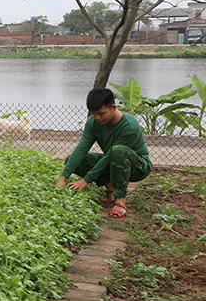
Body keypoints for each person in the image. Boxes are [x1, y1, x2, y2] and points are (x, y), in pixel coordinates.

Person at [57, 87, 152, 219]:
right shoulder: (93, 123)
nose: (97, 117)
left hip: (138, 167)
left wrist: (86, 180)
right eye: (94, 113)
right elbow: (81, 149)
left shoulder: (130, 126)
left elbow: (109, 157)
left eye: (101, 113)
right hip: (113, 160)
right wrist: (63, 178)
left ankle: (120, 201)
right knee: (74, 161)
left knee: (118, 150)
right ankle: (111, 191)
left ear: (113, 107)